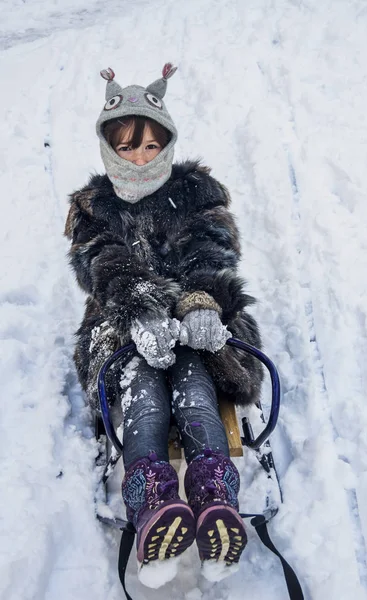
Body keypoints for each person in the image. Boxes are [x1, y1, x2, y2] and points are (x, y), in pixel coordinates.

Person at [64, 63, 264, 588]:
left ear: (167, 144)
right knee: (142, 388)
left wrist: (201, 301)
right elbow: (97, 260)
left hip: (194, 316)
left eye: (151, 146)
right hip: (124, 318)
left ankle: (214, 493)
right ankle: (152, 494)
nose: (139, 158)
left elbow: (212, 250)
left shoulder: (196, 192)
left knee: (197, 384)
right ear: (110, 148)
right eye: (128, 147)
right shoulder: (93, 206)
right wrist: (138, 305)